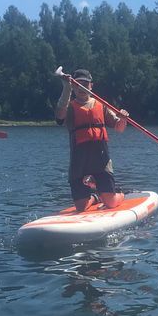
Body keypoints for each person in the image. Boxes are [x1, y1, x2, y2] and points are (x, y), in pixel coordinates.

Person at [55, 69, 129, 211]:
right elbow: (59, 116)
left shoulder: (102, 105)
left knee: (111, 203)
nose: (81, 87)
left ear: (91, 86)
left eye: (85, 84)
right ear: (73, 87)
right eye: (78, 84)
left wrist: (123, 119)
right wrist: (66, 87)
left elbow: (119, 128)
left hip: (101, 161)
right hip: (79, 163)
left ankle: (120, 194)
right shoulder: (69, 107)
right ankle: (95, 197)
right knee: (81, 207)